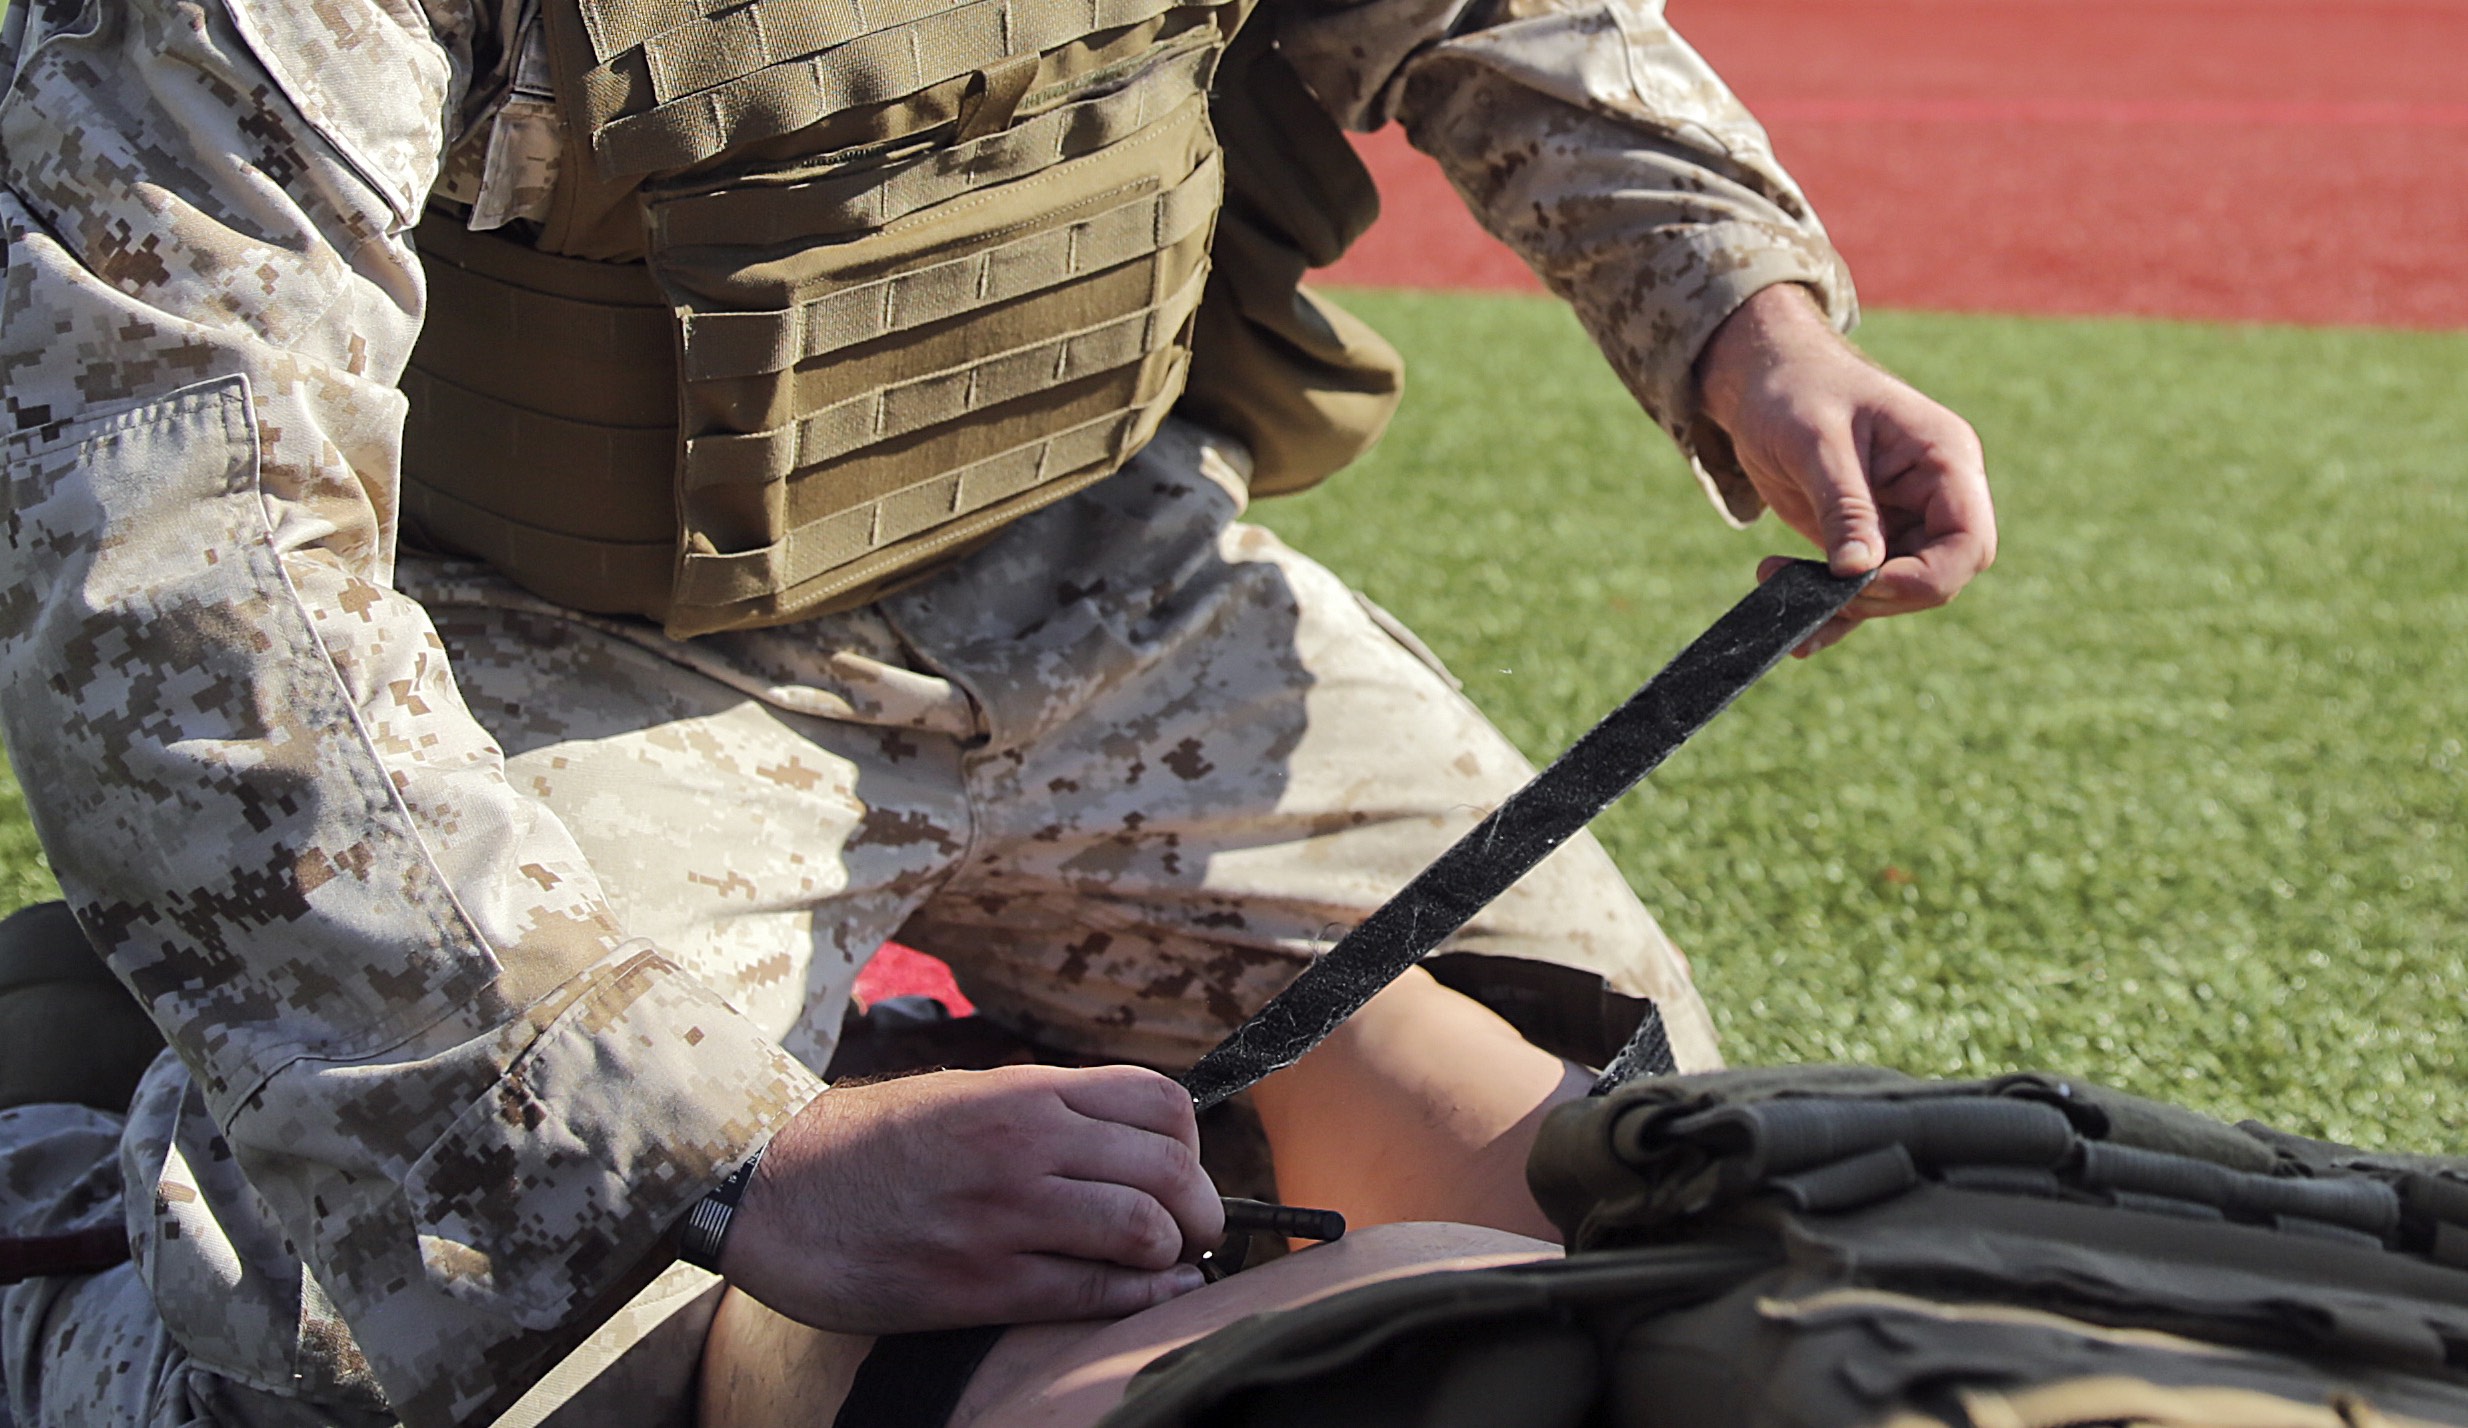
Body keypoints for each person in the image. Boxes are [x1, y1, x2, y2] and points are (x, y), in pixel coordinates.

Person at [0, 0, 1993, 1420]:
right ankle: (74, 1178)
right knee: (390, 1358)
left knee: (1642, 1145)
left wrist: (1745, 318)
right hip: (553, 639)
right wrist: (719, 1160)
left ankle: (919, 1062)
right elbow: (179, 549)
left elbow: (1491, 10)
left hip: (1095, 573)